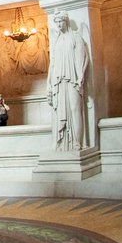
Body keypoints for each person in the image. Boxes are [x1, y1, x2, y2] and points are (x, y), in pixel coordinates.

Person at [47, 11, 90, 150]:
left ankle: (78, 142)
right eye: (56, 22)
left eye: (61, 21)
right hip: (58, 80)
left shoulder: (76, 37)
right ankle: (62, 143)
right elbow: (52, 63)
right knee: (60, 111)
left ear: (66, 21)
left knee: (75, 109)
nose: (59, 24)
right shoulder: (57, 40)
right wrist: (48, 83)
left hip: (72, 78)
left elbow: (83, 58)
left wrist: (80, 76)